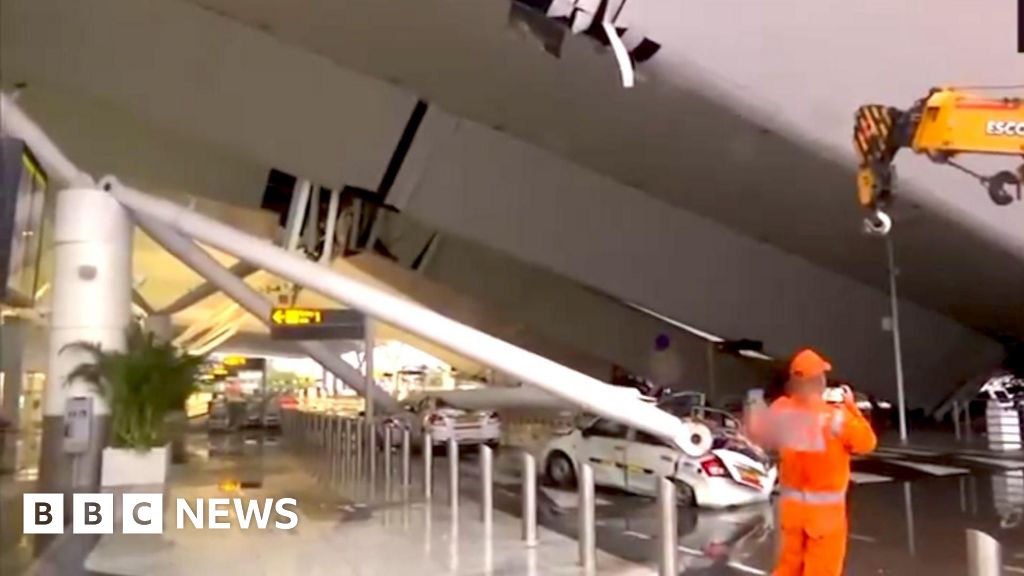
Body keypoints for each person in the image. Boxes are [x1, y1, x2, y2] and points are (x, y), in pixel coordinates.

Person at [750, 349, 877, 576]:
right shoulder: (837, 417)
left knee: (788, 569)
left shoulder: (781, 409)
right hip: (825, 517)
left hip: (791, 514)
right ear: (819, 380)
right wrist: (851, 407)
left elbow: (760, 434)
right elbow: (867, 443)